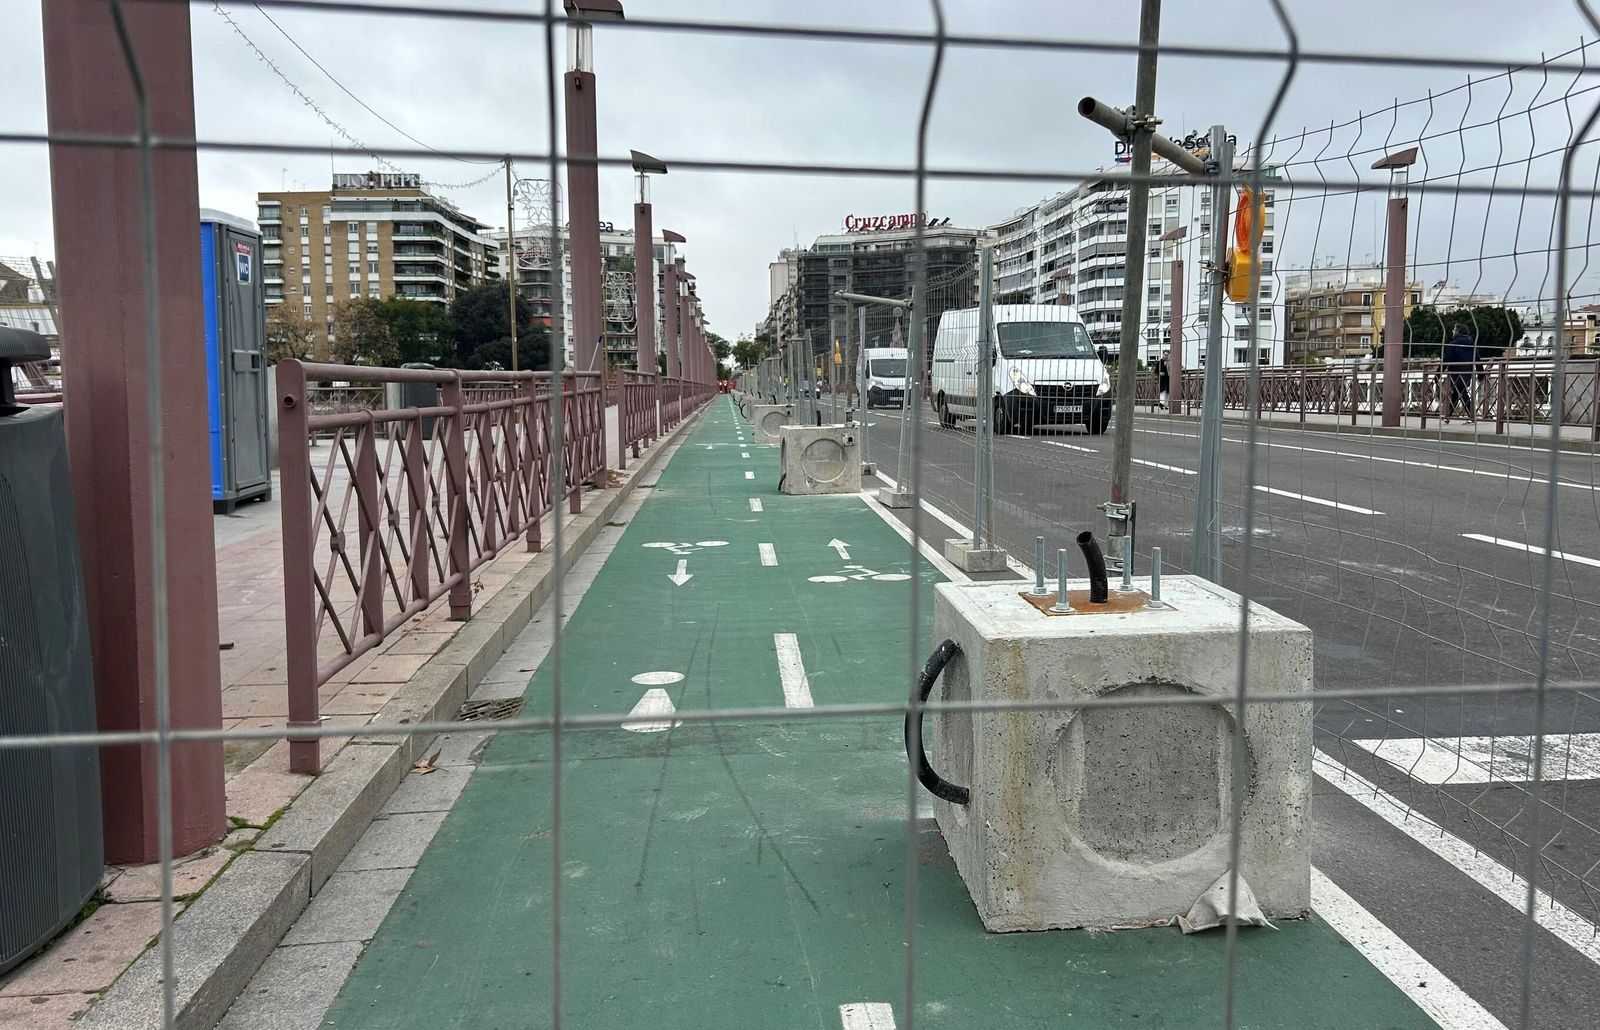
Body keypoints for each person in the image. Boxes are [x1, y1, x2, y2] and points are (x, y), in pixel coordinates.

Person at [1441, 324, 1477, 421]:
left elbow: (1445, 360)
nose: (1452, 331)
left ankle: (1471, 415)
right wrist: (1481, 374)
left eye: (1454, 329)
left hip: (1455, 374)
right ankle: (1448, 416)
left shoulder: (1452, 345)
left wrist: (1438, 373)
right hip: (1467, 373)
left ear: (1458, 332)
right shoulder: (1472, 344)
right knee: (1457, 393)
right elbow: (1477, 359)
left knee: (1461, 393)